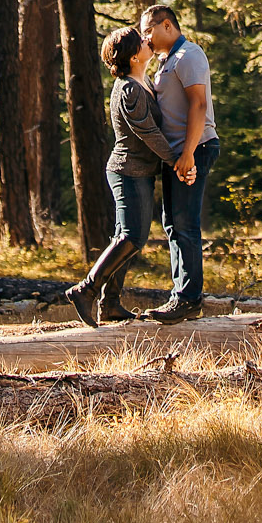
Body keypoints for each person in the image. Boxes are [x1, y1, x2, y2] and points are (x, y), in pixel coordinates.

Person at [65, 25, 172, 328]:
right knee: (131, 237)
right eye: (142, 41)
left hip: (138, 172)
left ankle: (109, 304)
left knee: (125, 236)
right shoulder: (129, 90)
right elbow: (148, 132)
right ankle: (86, 290)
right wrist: (176, 160)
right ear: (134, 56)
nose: (147, 41)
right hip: (127, 172)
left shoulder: (143, 82)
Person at [141, 4, 219, 322]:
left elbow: (198, 104)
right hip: (176, 155)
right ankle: (180, 294)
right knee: (172, 224)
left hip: (195, 149)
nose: (145, 36)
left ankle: (189, 299)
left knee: (185, 224)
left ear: (168, 25)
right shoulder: (166, 61)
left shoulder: (189, 55)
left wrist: (188, 153)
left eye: (149, 29)